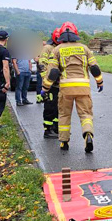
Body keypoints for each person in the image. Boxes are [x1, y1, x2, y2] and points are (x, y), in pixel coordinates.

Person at [40, 22, 103, 152]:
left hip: (66, 88)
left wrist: (45, 88)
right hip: (83, 87)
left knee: (64, 115)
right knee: (86, 114)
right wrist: (99, 82)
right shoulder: (84, 48)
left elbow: (53, 72)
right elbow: (94, 67)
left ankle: (64, 142)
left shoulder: (57, 49)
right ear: (76, 34)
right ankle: (88, 135)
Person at [38, 31, 60, 138]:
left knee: (58, 107)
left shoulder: (59, 48)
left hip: (58, 84)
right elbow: (42, 65)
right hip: (49, 84)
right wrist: (46, 79)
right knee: (49, 106)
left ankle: (56, 128)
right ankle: (47, 130)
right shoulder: (47, 48)